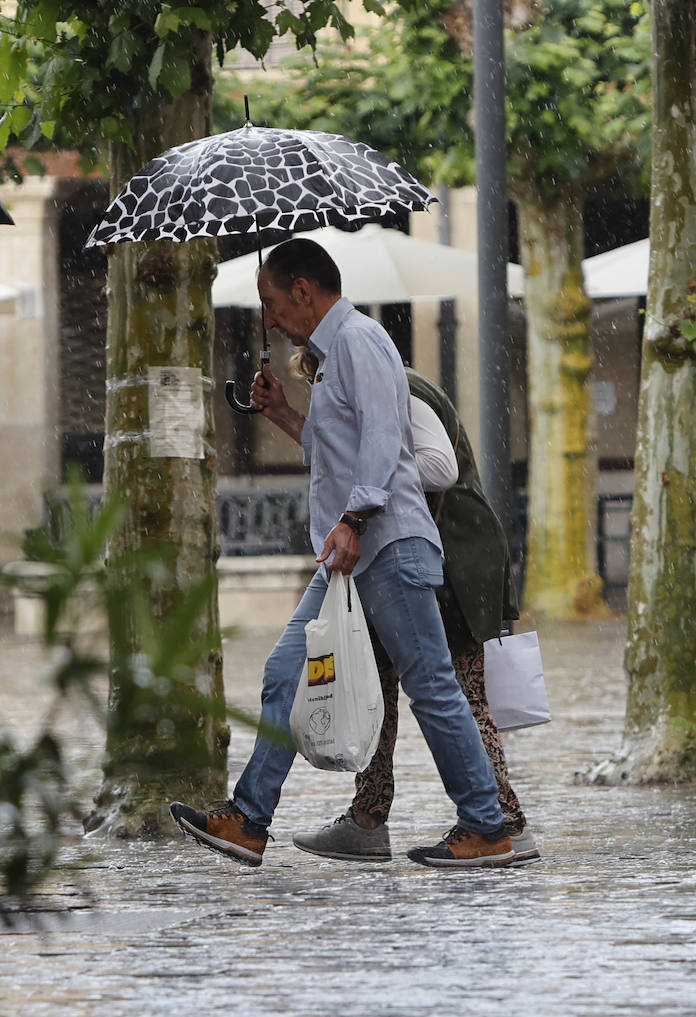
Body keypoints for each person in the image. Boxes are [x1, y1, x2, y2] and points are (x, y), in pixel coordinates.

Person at [169, 238, 514, 869]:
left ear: (303, 291)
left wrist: (355, 518)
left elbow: (387, 442)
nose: (269, 318)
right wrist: (279, 413)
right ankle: (249, 820)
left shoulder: (359, 341)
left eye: (271, 301)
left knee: (434, 687)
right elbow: (340, 452)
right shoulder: (330, 357)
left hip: (385, 543)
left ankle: (487, 826)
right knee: (285, 671)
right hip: (349, 554)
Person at [291, 367, 541, 865]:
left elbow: (439, 467)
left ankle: (504, 823)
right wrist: (284, 415)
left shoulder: (397, 386)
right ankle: (367, 818)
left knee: (457, 693)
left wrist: (374, 477)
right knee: (375, 682)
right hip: (405, 557)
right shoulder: (376, 390)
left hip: (452, 562)